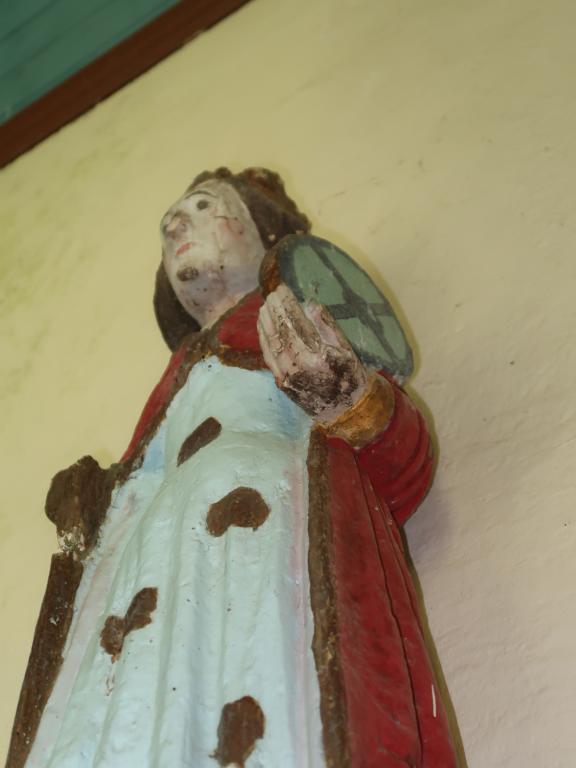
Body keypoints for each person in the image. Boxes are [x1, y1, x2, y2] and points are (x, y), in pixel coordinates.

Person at [8, 168, 457, 768]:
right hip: (155, 577)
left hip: (264, 549)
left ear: (265, 236)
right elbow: (140, 479)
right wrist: (93, 505)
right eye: (170, 225)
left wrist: (346, 397)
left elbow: (400, 460)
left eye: (201, 207)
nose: (174, 227)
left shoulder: (307, 315)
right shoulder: (181, 371)